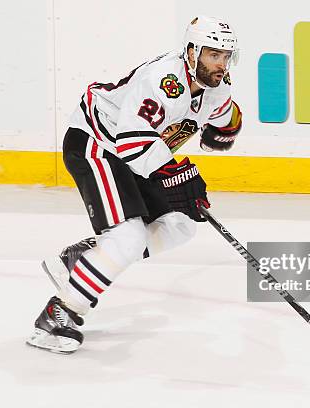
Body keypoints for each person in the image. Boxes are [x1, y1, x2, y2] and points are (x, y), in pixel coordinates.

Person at [26, 16, 243, 354]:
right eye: (213, 55)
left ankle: (82, 258)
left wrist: (227, 128)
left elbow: (224, 112)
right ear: (191, 51)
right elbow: (131, 141)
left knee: (180, 225)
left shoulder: (218, 84)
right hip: (98, 143)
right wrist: (177, 175)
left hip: (138, 156)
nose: (220, 64)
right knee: (128, 237)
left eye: (226, 56)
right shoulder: (164, 80)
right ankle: (60, 313)